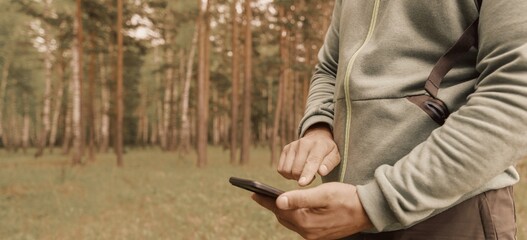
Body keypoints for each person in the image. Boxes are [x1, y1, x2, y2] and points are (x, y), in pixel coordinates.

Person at [252, 1, 527, 239]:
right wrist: (319, 127)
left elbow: (516, 90)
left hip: (453, 212)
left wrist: (377, 204)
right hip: (342, 213)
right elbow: (330, 68)